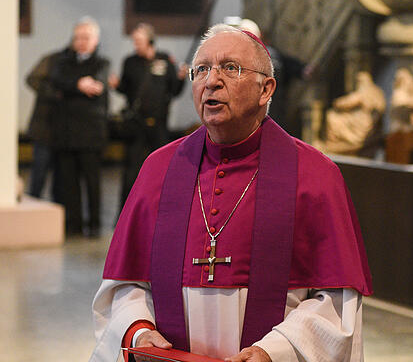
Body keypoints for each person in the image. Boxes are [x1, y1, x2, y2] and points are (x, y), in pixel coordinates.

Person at [90, 24, 372, 362]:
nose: (211, 81)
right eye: (201, 70)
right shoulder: (158, 170)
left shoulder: (315, 175)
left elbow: (336, 301)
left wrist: (274, 351)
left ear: (266, 89)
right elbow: (125, 284)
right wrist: (138, 330)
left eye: (230, 68)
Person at [112, 23, 185, 208]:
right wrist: (116, 85)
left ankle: (161, 208)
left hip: (159, 124)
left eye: (139, 41)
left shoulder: (165, 60)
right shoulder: (130, 62)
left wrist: (182, 78)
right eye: (134, 41)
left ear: (150, 41)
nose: (136, 44)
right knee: (131, 171)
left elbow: (174, 91)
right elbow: (126, 89)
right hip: (136, 124)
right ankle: (125, 212)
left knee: (163, 168)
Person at [50, 17, 109, 237]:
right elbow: (57, 80)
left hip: (91, 134)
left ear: (95, 40)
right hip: (66, 133)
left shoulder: (102, 63)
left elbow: (97, 85)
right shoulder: (64, 62)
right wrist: (78, 84)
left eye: (86, 37)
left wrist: (73, 86)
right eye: (78, 38)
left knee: (92, 183)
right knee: (69, 183)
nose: (81, 42)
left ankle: (94, 225)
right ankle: (74, 225)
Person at [25, 51, 60, 198]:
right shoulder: (53, 59)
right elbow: (32, 79)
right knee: (40, 169)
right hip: (43, 125)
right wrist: (54, 93)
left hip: (63, 128)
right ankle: (34, 200)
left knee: (61, 177)